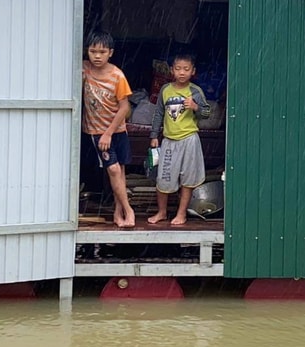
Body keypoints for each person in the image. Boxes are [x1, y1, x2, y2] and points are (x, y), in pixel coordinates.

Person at [148, 53, 211, 225]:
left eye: (186, 69)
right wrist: (154, 135)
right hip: (169, 140)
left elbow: (207, 113)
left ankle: (181, 214)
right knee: (163, 177)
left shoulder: (195, 91)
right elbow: (158, 113)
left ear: (193, 71)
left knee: (188, 179)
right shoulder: (165, 89)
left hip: (189, 139)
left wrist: (195, 106)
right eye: (178, 69)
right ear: (171, 70)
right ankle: (162, 212)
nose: (181, 73)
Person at [82, 31, 135, 228]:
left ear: (110, 53)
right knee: (112, 169)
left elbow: (125, 107)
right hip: (96, 131)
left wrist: (109, 132)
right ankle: (129, 210)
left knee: (119, 170)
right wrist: (103, 134)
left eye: (102, 52)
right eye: (92, 51)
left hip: (116, 130)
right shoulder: (84, 69)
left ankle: (117, 211)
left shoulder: (117, 76)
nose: (96, 56)